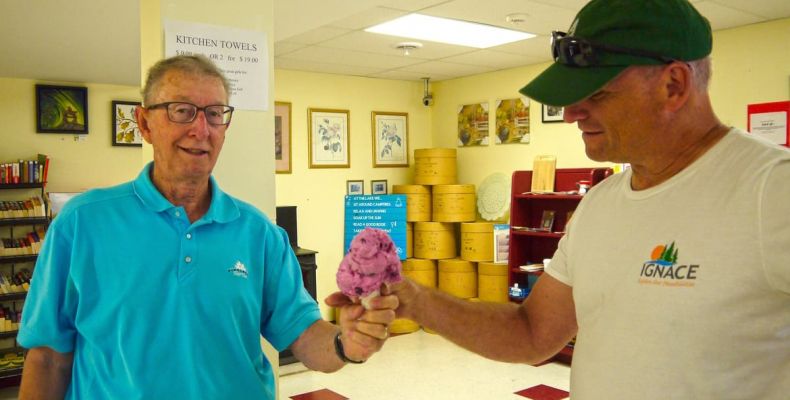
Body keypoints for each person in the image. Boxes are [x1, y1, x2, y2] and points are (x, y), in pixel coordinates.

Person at [391, 0, 790, 398]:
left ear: (674, 85)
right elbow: (531, 333)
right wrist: (418, 301)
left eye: (597, 94)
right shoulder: (599, 204)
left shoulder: (770, 191)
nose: (570, 114)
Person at [18, 55, 397, 399]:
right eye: (182, 110)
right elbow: (49, 359)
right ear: (144, 123)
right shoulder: (83, 222)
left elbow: (303, 336)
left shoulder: (258, 233)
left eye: (215, 113)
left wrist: (347, 343)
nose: (202, 129)